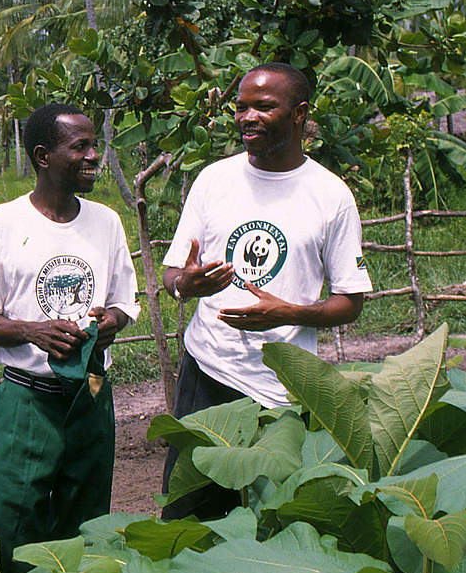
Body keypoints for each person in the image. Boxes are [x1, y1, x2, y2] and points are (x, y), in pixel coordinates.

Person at [159, 62, 373, 520]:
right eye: (240, 108)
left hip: (281, 392)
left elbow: (350, 302)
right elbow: (173, 274)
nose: (247, 117)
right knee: (187, 517)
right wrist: (186, 286)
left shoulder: (330, 196)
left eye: (264, 106)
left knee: (269, 522)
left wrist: (290, 313)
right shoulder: (214, 180)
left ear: (299, 114)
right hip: (207, 374)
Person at [0, 103, 139, 573]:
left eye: (94, 146)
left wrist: (110, 321)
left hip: (89, 399)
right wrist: (33, 331)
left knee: (78, 538)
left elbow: (125, 301)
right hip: (27, 403)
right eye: (79, 147)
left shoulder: (105, 222)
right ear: (42, 156)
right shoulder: (2, 223)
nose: (93, 156)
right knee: (2, 534)